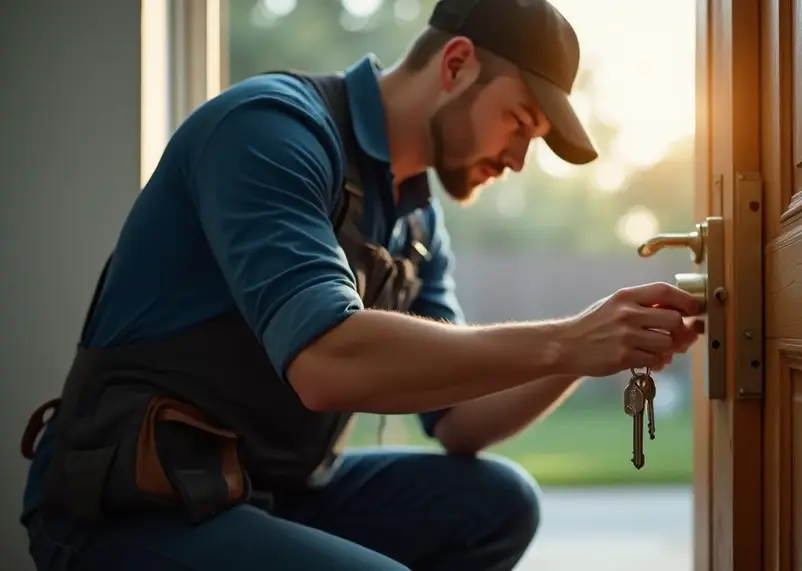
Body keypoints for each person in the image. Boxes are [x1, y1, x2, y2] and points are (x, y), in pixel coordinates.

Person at [20, 0, 703, 569]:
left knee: (497, 502)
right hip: (130, 499)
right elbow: (325, 359)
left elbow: (460, 423)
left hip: (277, 487)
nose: (520, 159)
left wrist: (592, 353)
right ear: (457, 63)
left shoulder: (418, 219)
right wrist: (564, 341)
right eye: (519, 123)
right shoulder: (270, 129)